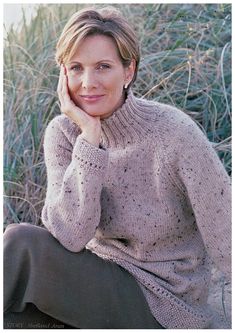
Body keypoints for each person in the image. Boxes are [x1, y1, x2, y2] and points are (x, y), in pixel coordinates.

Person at [4, 6, 231, 329]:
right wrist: (90, 138)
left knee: (19, 245)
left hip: (164, 301)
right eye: (76, 68)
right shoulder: (64, 134)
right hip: (100, 280)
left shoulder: (173, 133)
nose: (87, 82)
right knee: (14, 312)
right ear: (62, 75)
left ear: (128, 72)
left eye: (103, 67)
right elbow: (69, 237)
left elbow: (227, 232)